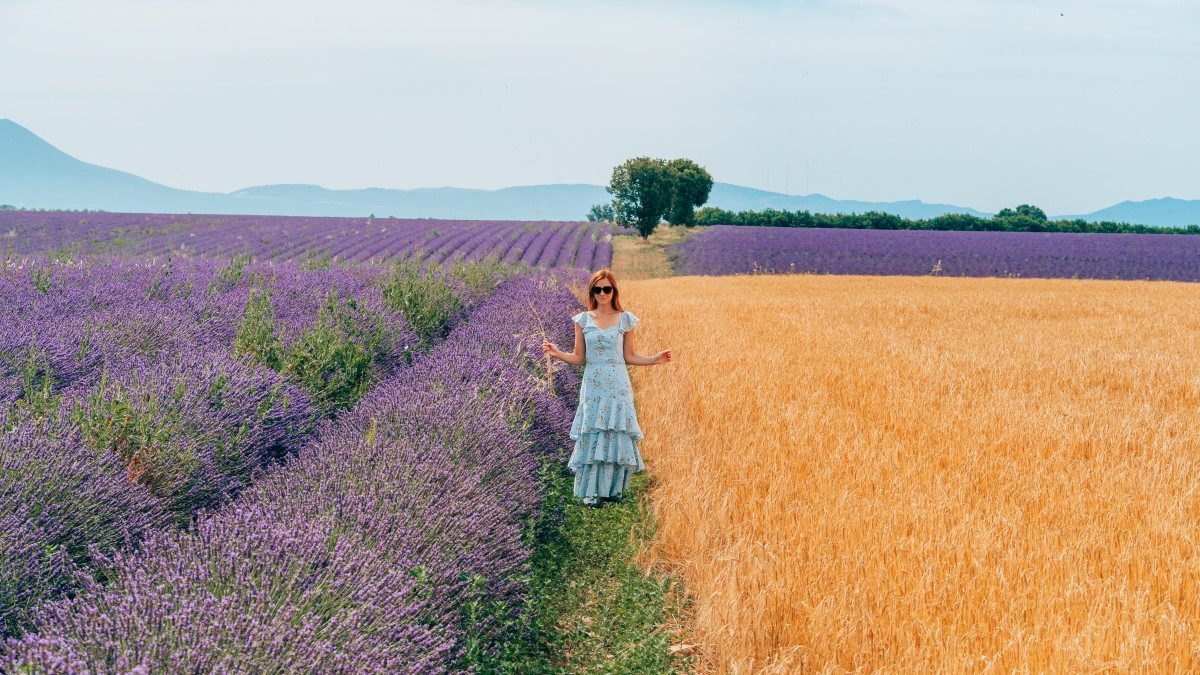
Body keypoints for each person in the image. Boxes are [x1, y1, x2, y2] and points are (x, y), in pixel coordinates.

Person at [541, 269, 672, 506]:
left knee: (615, 432)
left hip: (617, 383)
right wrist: (557, 353)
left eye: (606, 289)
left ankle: (613, 490)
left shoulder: (625, 319)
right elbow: (579, 358)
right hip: (592, 383)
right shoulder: (582, 320)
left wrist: (654, 359)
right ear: (592, 292)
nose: (602, 293)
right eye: (597, 289)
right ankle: (591, 492)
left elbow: (629, 356)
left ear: (613, 291)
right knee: (593, 431)